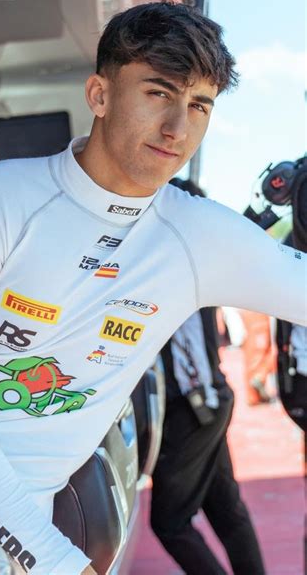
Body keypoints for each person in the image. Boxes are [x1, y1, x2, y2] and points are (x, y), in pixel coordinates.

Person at [0, 0, 306, 575]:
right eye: (158, 93)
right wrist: (63, 564)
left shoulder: (200, 234)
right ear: (99, 95)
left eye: (199, 105)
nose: (178, 129)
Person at [150, 179, 265, 575]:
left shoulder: (178, 264)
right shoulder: (192, 260)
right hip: (207, 400)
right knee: (225, 508)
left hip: (196, 405)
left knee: (170, 522)